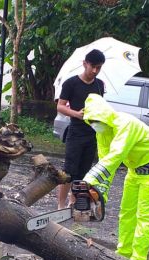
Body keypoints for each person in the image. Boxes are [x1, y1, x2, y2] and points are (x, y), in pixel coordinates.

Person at [79, 93, 149, 260]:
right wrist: (99, 193)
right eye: (90, 122)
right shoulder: (103, 133)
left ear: (104, 115)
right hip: (135, 170)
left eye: (96, 120)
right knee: (126, 212)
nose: (94, 125)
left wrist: (89, 179)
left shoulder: (125, 124)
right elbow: (106, 164)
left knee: (145, 216)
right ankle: (123, 254)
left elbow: (116, 155)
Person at [56, 49, 106, 209]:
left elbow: (100, 106)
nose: (95, 71)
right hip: (75, 133)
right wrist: (76, 114)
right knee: (69, 171)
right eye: (93, 67)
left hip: (92, 134)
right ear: (85, 63)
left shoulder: (100, 85)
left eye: (99, 67)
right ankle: (60, 205)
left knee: (84, 172)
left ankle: (74, 201)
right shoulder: (71, 83)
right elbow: (60, 107)